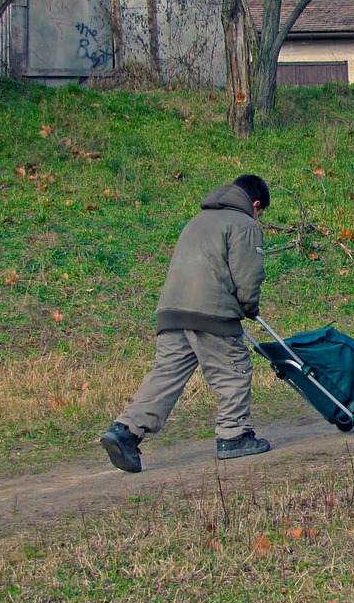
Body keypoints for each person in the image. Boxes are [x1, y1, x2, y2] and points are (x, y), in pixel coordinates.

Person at [100, 174, 272, 472]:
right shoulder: (244, 225)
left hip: (172, 310)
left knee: (166, 374)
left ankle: (125, 431)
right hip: (212, 311)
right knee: (233, 369)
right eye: (261, 212)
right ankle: (234, 435)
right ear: (255, 204)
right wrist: (249, 306)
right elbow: (248, 275)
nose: (258, 217)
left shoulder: (197, 220)